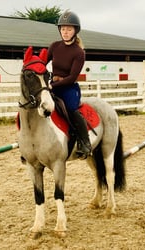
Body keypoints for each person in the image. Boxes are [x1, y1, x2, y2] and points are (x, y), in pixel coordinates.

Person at [47, 10, 91, 159]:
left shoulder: (79, 52)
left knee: (72, 110)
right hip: (52, 85)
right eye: (63, 29)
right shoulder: (54, 46)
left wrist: (53, 86)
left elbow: (72, 77)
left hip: (69, 88)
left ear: (75, 31)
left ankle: (85, 143)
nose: (65, 32)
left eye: (69, 29)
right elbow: (42, 63)